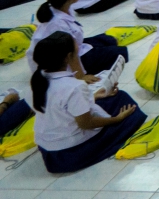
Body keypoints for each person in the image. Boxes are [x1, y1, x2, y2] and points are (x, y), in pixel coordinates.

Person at [29, 32, 146, 173]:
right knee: (127, 106)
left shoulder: (37, 81)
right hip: (70, 154)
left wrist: (93, 97)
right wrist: (117, 119)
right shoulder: (74, 86)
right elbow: (86, 123)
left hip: (48, 152)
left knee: (112, 98)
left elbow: (59, 107)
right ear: (68, 57)